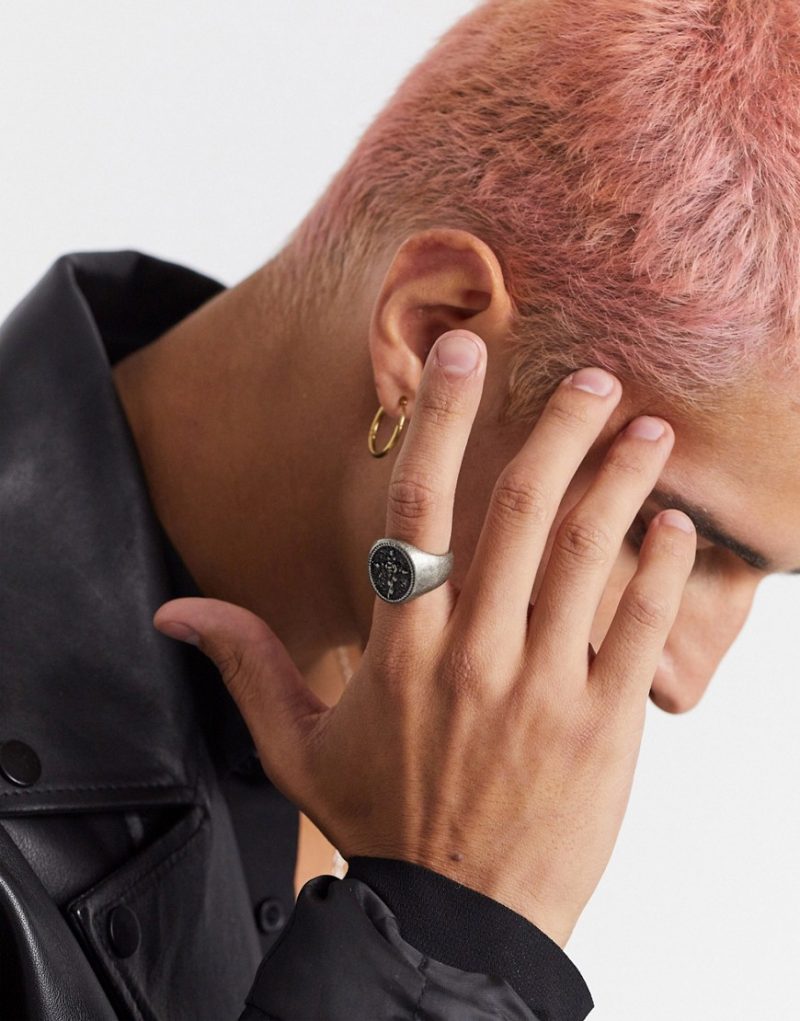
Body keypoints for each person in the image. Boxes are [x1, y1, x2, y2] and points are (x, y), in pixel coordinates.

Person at [2, 0, 799, 1018]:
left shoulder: (418, 727)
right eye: (658, 527)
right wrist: (446, 938)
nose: (686, 679)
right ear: (431, 338)